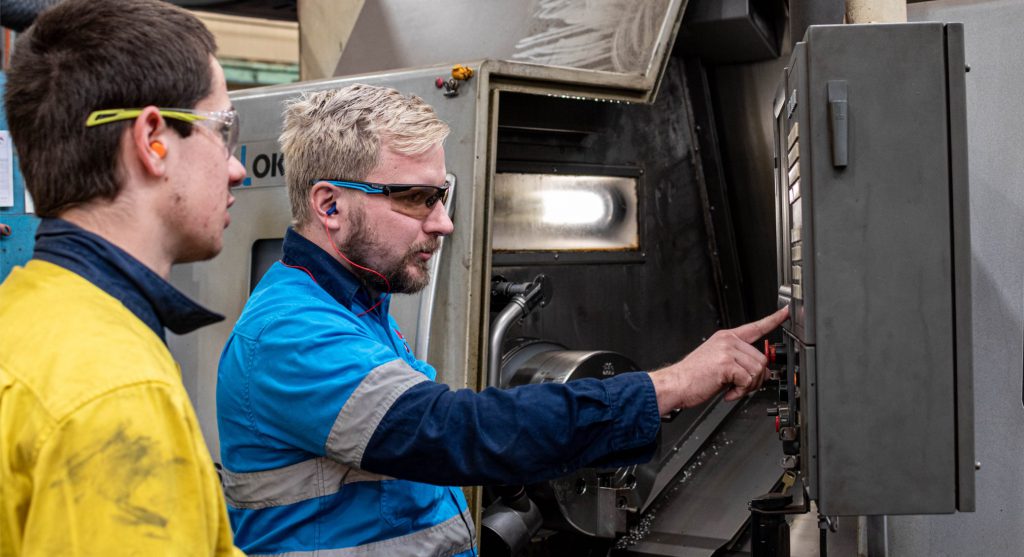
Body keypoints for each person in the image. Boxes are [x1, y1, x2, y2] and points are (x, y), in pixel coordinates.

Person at [216, 84, 789, 556]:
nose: (442, 224)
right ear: (330, 206)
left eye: (441, 197)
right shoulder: (291, 333)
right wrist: (674, 384)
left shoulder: (359, 307)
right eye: (416, 198)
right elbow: (454, 433)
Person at [0, 1, 247, 555]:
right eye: (224, 129)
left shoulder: (18, 317)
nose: (237, 166)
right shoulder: (116, 393)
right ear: (153, 140)